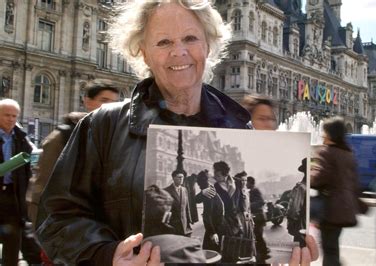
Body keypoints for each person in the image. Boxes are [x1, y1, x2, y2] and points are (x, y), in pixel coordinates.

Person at [35, 1, 250, 265]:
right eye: (163, 42)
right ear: (143, 52)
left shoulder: (241, 130)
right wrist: (107, 255)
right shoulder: (104, 125)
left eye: (190, 38)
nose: (179, 52)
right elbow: (56, 218)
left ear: (208, 45)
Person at [28, 79, 120, 228]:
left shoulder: (115, 137)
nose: (110, 107)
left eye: (114, 102)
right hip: (68, 226)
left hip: (102, 226)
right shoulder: (64, 136)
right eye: (104, 100)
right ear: (87, 102)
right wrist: (42, 226)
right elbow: (42, 185)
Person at [311, 116, 365, 266]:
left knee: (329, 249)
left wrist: (309, 175)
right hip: (345, 209)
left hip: (330, 209)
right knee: (332, 247)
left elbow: (319, 178)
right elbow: (355, 183)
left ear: (329, 134)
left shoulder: (326, 152)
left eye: (324, 131)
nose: (322, 134)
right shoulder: (348, 154)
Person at [0, 99, 39, 266]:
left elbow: (31, 162)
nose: (11, 119)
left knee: (13, 241)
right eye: (7, 115)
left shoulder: (21, 137)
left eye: (14, 116)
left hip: (13, 195)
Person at [196, 169, 224, 252]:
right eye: (211, 176)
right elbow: (207, 215)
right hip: (215, 229)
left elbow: (197, 199)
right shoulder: (209, 192)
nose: (214, 177)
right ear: (207, 180)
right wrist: (212, 233)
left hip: (216, 227)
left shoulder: (210, 189)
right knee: (212, 254)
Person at [247, 175, 270, 262]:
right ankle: (263, 252)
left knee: (258, 236)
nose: (246, 184)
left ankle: (264, 252)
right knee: (258, 236)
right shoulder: (252, 190)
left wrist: (249, 205)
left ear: (250, 183)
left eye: (247, 182)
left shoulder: (255, 190)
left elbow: (261, 202)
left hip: (259, 217)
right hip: (258, 217)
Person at [164, 170, 193, 236]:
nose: (181, 179)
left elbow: (187, 206)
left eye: (182, 177)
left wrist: (189, 220)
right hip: (173, 224)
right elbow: (165, 209)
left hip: (184, 223)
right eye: (179, 177)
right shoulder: (166, 191)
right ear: (173, 178)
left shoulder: (184, 190)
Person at [287, 158, 308, 246]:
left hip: (301, 227)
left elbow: (294, 210)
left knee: (299, 251)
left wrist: (291, 223)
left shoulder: (301, 188)